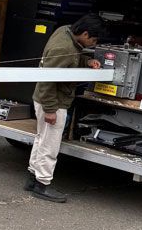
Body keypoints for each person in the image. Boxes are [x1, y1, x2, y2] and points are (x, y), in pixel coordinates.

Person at [26, 14, 103, 203]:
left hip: (46, 99)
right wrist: (51, 109)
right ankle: (42, 184)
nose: (93, 44)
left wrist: (87, 61)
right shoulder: (64, 48)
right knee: (50, 145)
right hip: (53, 101)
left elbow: (74, 57)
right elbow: (47, 80)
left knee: (41, 139)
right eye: (93, 40)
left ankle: (32, 178)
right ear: (85, 33)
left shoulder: (65, 31)